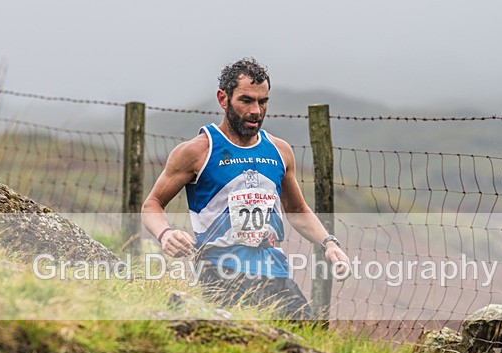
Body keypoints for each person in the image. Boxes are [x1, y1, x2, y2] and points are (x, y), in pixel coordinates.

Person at [141, 58, 350, 320]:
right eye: (246, 100)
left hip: (274, 271)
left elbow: (297, 209)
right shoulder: (197, 151)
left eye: (263, 102)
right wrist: (165, 234)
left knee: (309, 334)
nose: (256, 111)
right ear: (223, 98)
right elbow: (152, 204)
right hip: (219, 272)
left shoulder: (279, 151)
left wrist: (328, 243)